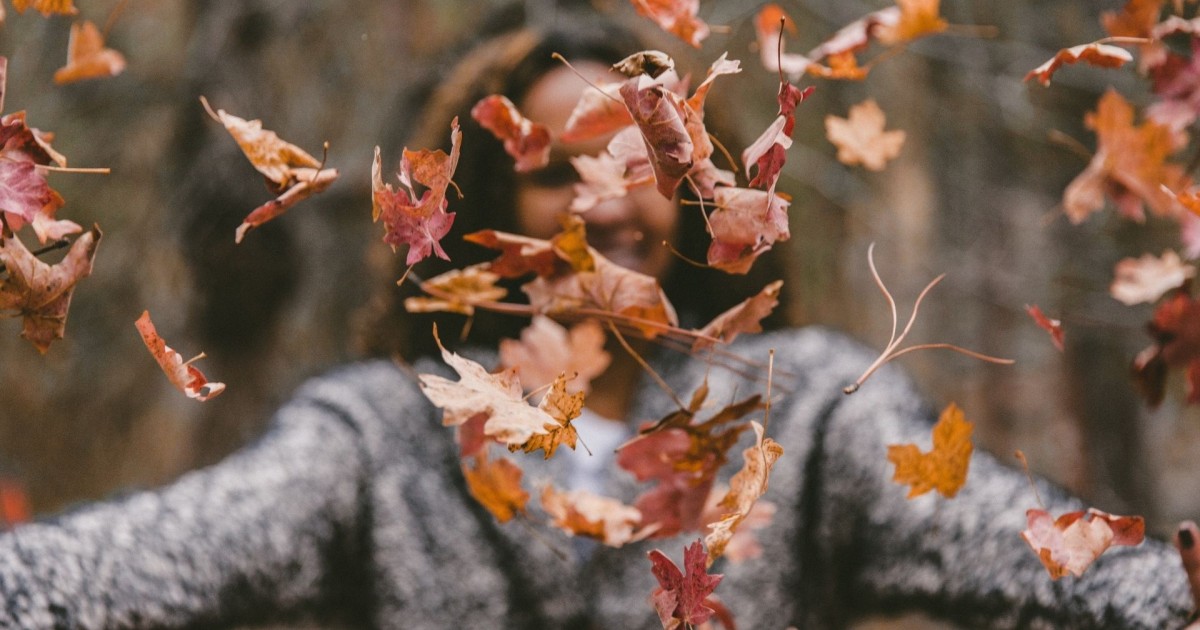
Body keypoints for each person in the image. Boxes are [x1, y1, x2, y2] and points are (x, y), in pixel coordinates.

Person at [0, 3, 1196, 628]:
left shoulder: (801, 414)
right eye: (556, 171)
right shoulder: (384, 437)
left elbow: (1030, 551)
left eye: (637, 160)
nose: (605, 199)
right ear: (486, 214)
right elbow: (158, 554)